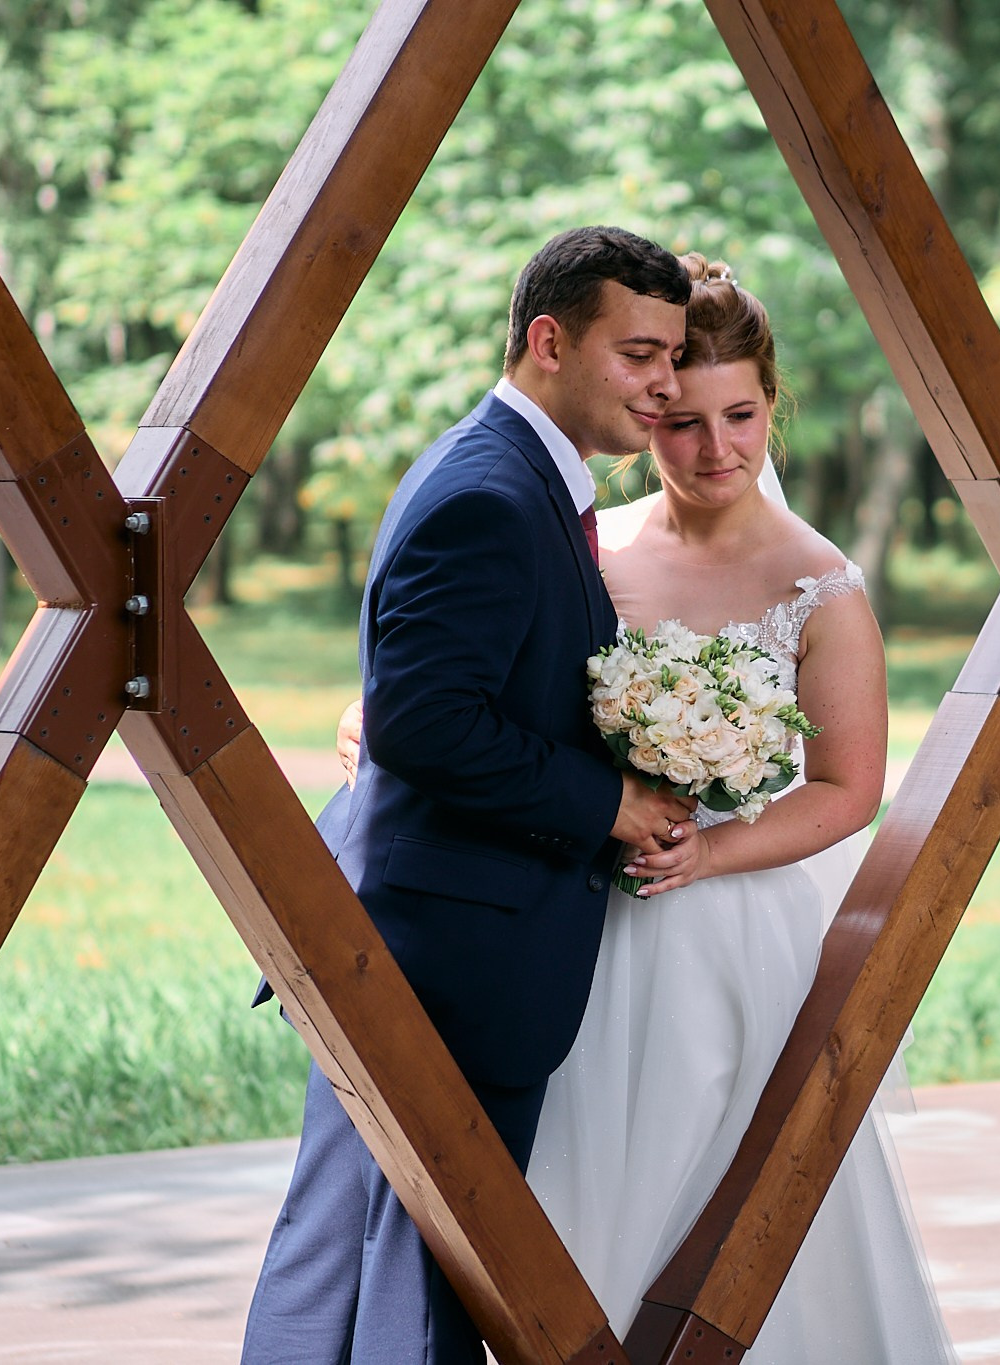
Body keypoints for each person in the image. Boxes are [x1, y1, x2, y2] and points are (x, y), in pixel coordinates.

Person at [337, 255, 956, 1360]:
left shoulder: (821, 587)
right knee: (566, 1195)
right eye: (680, 420)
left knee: (721, 1189)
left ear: (773, 409)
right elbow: (471, 674)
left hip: (720, 932)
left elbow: (847, 791)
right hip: (569, 917)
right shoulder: (586, 538)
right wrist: (366, 721)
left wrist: (705, 854)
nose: (714, 449)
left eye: (741, 417)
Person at [241, 226, 700, 1365]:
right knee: (404, 1286)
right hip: (444, 951)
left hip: (438, 936)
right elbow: (424, 723)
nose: (666, 385)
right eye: (639, 353)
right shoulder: (490, 496)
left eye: (673, 357)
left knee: (363, 1267)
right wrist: (610, 805)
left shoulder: (517, 478)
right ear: (549, 341)